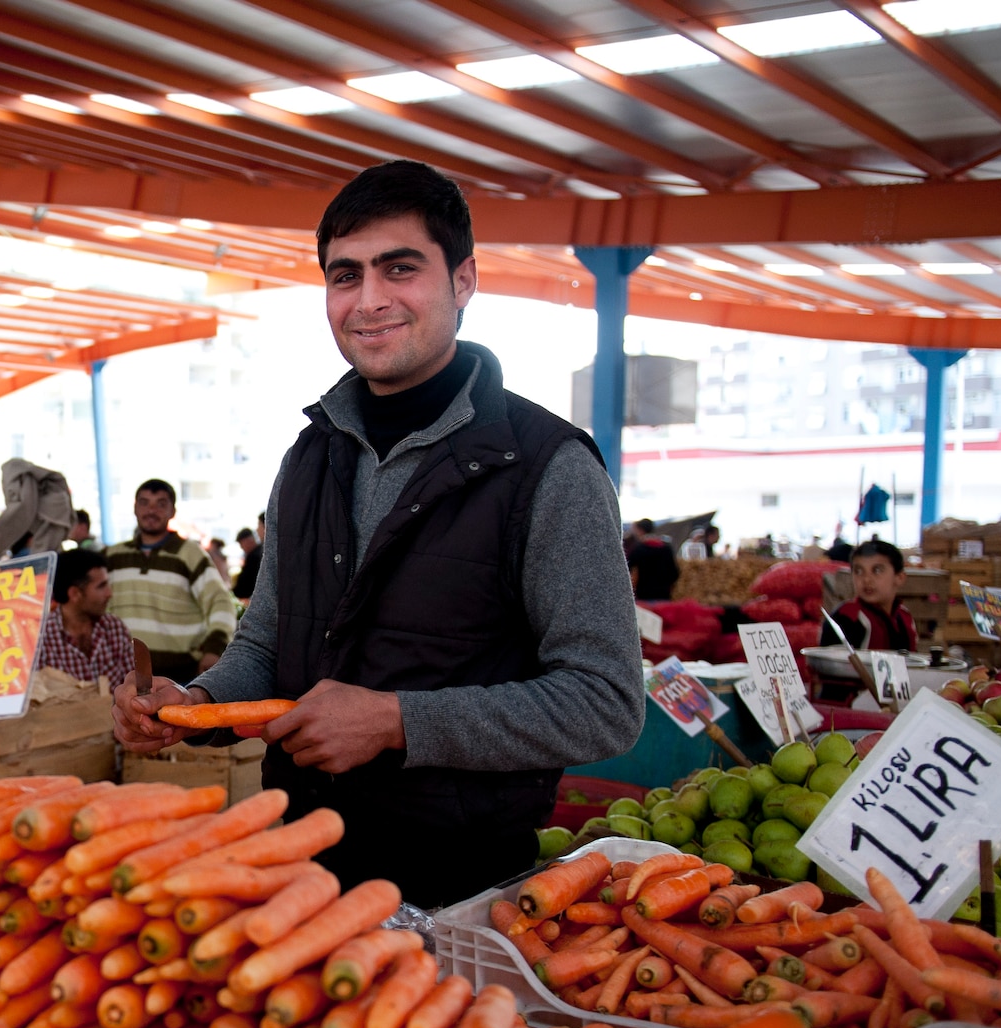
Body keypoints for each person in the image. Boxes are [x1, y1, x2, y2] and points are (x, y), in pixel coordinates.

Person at [112, 160, 644, 905]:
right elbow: (266, 644)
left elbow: (606, 702)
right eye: (345, 275)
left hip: (462, 888)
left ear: (462, 282)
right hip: (301, 866)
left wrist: (398, 721)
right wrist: (192, 702)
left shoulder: (547, 467)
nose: (369, 301)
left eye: (400, 269)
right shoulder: (309, 455)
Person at [105, 480, 237, 683]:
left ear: (172, 511)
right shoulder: (112, 556)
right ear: (135, 508)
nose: (151, 510)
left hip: (182, 677)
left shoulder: (190, 554)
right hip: (122, 676)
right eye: (144, 502)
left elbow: (220, 602)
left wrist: (214, 648)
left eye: (161, 503)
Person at [35, 548, 133, 688]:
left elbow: (133, 685)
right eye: (101, 586)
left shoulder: (114, 627)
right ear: (75, 594)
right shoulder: (41, 638)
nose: (109, 593)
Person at [823, 538, 916, 652]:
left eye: (877, 570)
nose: (866, 580)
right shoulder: (846, 617)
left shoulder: (904, 617)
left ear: (899, 578)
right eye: (859, 571)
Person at [626, 518, 679, 601]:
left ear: (641, 530)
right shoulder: (666, 548)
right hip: (664, 596)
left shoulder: (639, 549)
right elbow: (674, 573)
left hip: (644, 596)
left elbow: (627, 569)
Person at [233, 526, 263, 600]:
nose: (241, 547)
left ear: (249, 540)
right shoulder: (258, 553)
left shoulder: (254, 556)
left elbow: (248, 582)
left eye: (241, 544)